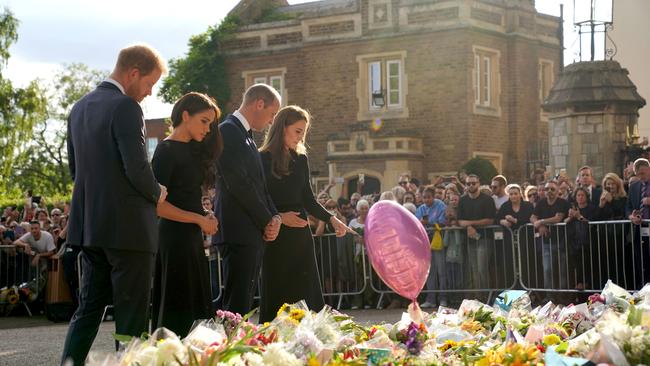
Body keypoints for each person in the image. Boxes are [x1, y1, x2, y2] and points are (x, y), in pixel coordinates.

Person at [62, 44, 168, 366]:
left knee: (87, 310)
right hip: (129, 232)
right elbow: (137, 168)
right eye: (149, 84)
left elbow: (75, 171)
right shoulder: (125, 107)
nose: (148, 94)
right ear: (133, 72)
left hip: (90, 228)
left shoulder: (78, 108)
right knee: (132, 316)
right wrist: (157, 192)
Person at [258, 105, 349, 322]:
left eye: (304, 132)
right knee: (278, 293)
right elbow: (259, 197)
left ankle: (311, 340)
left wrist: (331, 218)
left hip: (300, 238)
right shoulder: (261, 158)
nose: (301, 137)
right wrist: (279, 216)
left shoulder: (301, 159)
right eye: (298, 131)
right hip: (276, 234)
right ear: (282, 128)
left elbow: (308, 199)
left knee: (306, 292)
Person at [150, 92, 221, 337]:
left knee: (197, 304)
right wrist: (199, 219)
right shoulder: (165, 151)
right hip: (173, 238)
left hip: (191, 236)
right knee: (177, 303)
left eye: (210, 123)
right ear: (185, 115)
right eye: (204, 121)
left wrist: (205, 215)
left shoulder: (193, 151)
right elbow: (158, 206)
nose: (208, 128)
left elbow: (188, 198)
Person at [213, 84, 282, 316]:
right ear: (259, 104)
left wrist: (275, 216)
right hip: (237, 230)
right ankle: (226, 350)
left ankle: (235, 347)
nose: (272, 121)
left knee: (243, 302)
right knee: (235, 304)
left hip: (251, 231)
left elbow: (260, 185)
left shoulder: (248, 137)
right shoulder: (227, 131)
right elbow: (239, 183)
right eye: (272, 113)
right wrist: (266, 219)